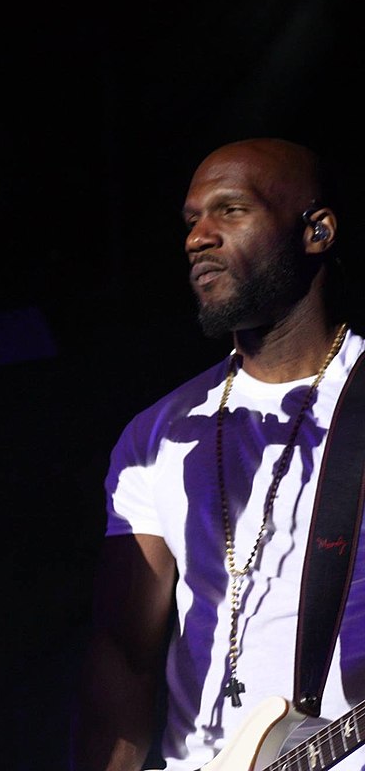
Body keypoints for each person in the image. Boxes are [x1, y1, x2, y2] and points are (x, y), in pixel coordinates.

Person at [69, 137, 364, 770]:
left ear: (316, 231)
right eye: (191, 220)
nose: (197, 237)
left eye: (231, 210)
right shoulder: (158, 435)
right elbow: (124, 653)